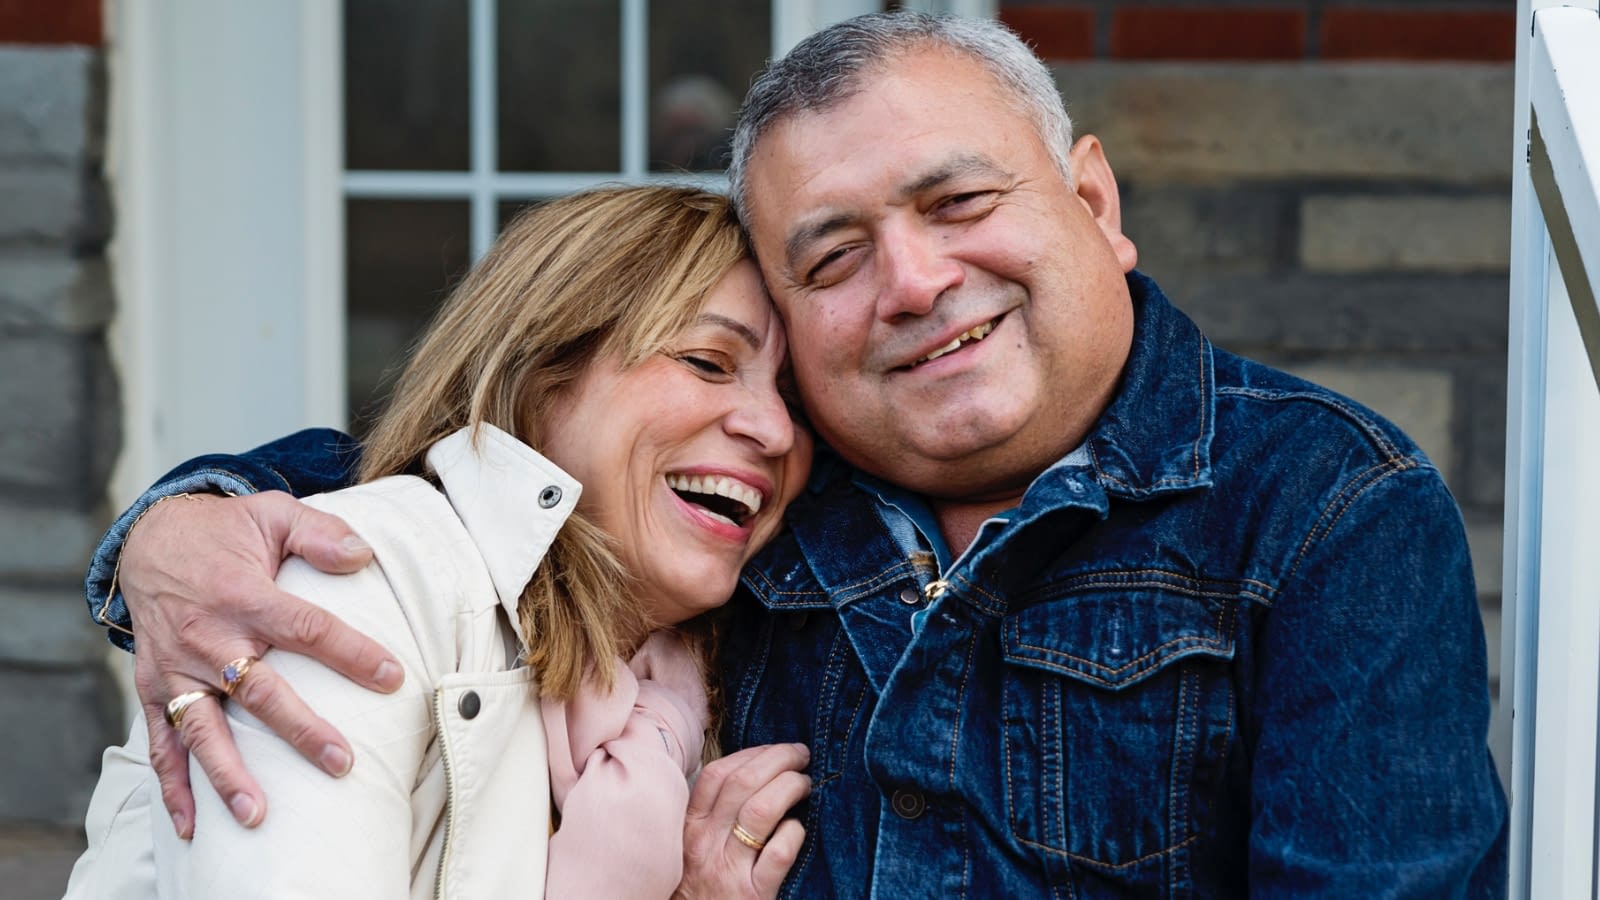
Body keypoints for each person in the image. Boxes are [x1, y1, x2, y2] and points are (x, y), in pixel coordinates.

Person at [81, 12, 1508, 897]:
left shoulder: (1323, 512)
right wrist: (176, 526)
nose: (910, 281)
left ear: (1092, 201)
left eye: (957, 201)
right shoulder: (760, 504)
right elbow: (463, 468)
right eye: (833, 256)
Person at [64, 185, 814, 899]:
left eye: (792, 399)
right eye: (708, 363)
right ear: (540, 372)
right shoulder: (358, 586)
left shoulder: (692, 682)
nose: (775, 430)